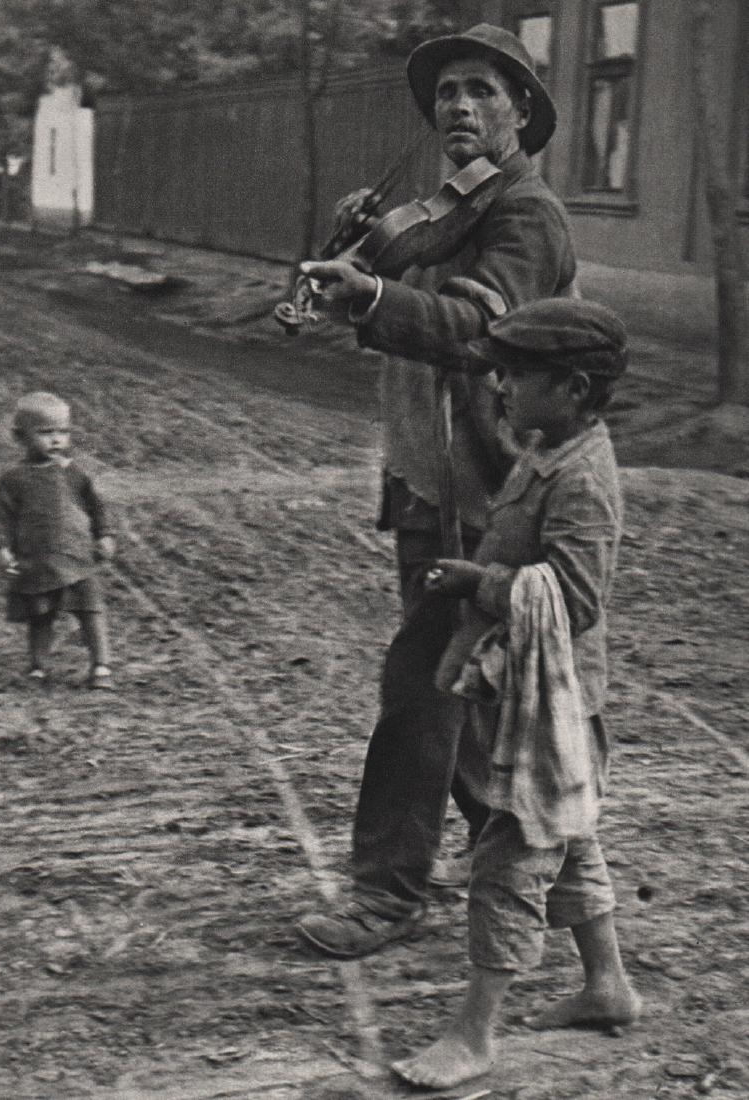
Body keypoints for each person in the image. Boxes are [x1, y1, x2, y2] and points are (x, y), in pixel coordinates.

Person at [295, 23, 578, 958]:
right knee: (466, 712)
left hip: (490, 496)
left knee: (422, 687)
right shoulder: (437, 214)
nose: (458, 106)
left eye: (482, 92)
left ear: (521, 113)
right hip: (428, 484)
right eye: (447, 92)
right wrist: (359, 256)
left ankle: (385, 895)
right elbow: (388, 289)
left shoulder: (525, 218)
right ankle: (567, 888)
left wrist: (373, 297)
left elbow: (473, 329)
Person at [388, 296, 641, 1089]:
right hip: (526, 688)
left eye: (519, 374)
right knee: (566, 835)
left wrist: (481, 581)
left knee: (510, 858)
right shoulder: (546, 447)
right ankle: (608, 986)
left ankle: (475, 1032)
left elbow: (574, 598)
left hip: (557, 698)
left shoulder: (583, 480)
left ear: (571, 388)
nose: (502, 384)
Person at [0, 391, 116, 688]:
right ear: (20, 436)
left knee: (90, 609)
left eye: (62, 432)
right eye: (45, 432)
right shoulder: (14, 479)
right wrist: (2, 552)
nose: (56, 440)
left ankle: (101, 666)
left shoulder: (74, 474)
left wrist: (104, 535)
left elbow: (96, 506)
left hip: (77, 557)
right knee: (41, 616)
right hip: (37, 560)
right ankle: (39, 666)